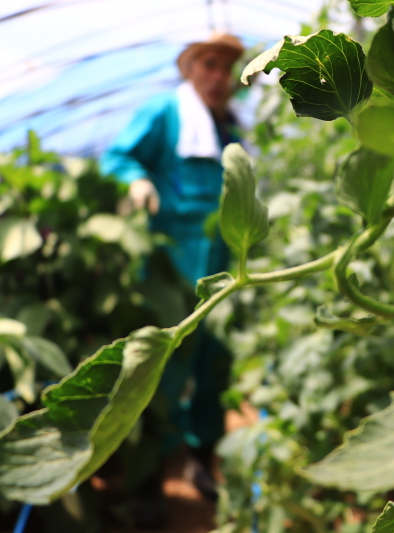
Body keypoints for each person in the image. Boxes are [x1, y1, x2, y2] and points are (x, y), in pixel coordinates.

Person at [100, 32, 245, 526]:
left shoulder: (229, 131)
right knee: (162, 377)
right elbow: (117, 157)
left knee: (215, 369)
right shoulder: (165, 114)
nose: (219, 76)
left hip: (222, 273)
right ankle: (146, 486)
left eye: (227, 69)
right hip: (171, 273)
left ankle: (202, 463)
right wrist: (135, 179)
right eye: (209, 64)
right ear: (190, 69)